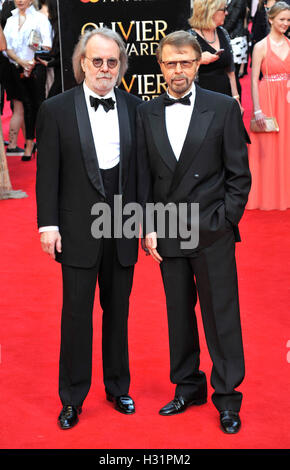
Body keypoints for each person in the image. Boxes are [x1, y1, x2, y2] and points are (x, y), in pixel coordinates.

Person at [137, 31, 251, 433]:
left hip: (212, 229)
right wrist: (147, 225)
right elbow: (144, 177)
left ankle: (227, 397)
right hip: (168, 229)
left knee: (221, 316)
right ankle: (187, 386)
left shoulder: (222, 108)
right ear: (161, 66)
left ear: (199, 62)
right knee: (178, 314)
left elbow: (239, 175)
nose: (178, 70)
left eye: (186, 61)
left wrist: (226, 220)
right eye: (171, 63)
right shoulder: (148, 112)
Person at [36, 27, 141, 430]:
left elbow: (142, 173)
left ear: (121, 66)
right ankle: (73, 397)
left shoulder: (134, 107)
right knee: (76, 315)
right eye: (96, 60)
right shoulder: (56, 109)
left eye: (112, 62)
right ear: (82, 63)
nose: (104, 68)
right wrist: (48, 225)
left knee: (119, 312)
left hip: (123, 225)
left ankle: (117, 386)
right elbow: (48, 175)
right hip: (78, 228)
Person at [247, 2, 290, 210]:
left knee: (286, 146)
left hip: (287, 101)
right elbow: (254, 79)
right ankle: (268, 194)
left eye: (288, 20)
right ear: (271, 19)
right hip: (267, 98)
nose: (286, 23)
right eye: (282, 19)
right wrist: (257, 109)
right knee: (268, 147)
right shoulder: (260, 46)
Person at [4, 0, 52, 160]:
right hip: (17, 68)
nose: (20, 0)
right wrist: (20, 62)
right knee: (26, 106)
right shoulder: (10, 21)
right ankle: (29, 143)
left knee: (39, 105)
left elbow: (47, 45)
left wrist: (31, 63)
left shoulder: (40, 19)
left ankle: (43, 143)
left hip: (36, 67)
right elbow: (6, 47)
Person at [188, 0, 243, 112]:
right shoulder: (190, 37)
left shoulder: (223, 32)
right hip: (202, 101)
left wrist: (236, 98)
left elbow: (231, 69)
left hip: (226, 97)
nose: (227, 13)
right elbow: (183, 69)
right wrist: (198, 60)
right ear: (211, 12)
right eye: (224, 9)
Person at [223, 0, 248, 95]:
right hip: (230, 37)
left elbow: (233, 19)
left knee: (234, 75)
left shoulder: (239, 1)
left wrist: (221, 32)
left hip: (236, 39)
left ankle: (237, 102)